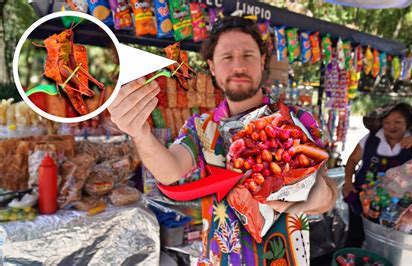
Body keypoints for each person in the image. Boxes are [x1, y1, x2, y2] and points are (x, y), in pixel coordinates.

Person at [108, 16, 337, 265]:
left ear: (262, 62)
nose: (238, 66)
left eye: (248, 55)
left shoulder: (296, 120)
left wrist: (312, 197)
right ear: (212, 67)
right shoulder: (200, 127)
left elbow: (328, 194)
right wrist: (140, 134)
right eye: (227, 57)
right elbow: (170, 171)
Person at [343, 102, 412, 247]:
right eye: (387, 122)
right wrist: (348, 182)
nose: (392, 126)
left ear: (407, 123)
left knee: (386, 241)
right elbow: (353, 160)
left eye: (398, 122)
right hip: (363, 198)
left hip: (395, 206)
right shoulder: (370, 139)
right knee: (356, 235)